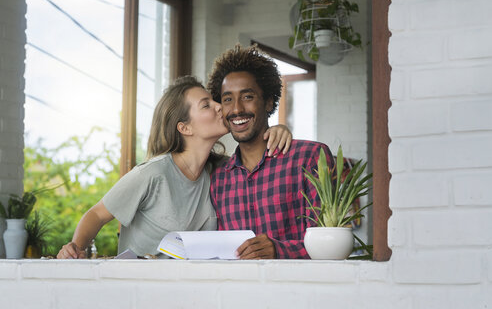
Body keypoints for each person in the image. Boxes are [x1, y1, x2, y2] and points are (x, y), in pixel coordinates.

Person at [57, 76, 292, 259]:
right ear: (185, 128)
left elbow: (255, 160)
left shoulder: (222, 170)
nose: (220, 106)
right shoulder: (153, 174)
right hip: (142, 290)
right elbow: (97, 214)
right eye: (206, 105)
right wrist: (75, 248)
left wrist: (278, 130)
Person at [208, 45, 334, 259]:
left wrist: (279, 250)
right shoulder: (219, 179)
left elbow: (331, 242)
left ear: (268, 102)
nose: (237, 109)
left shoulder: (310, 158)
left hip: (301, 290)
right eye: (228, 99)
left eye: (247, 97)